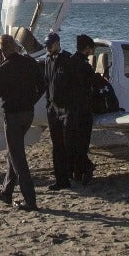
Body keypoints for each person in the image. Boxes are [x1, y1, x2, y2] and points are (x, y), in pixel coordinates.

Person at [0, 33, 45, 211]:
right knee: (13, 152)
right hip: (28, 113)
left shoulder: (3, 68)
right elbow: (42, 86)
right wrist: (31, 101)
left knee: (18, 158)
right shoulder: (30, 63)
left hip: (12, 115)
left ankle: (30, 200)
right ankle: (7, 191)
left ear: (2, 50)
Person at [63, 34, 98, 185]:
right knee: (83, 143)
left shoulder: (68, 62)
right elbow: (92, 86)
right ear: (87, 48)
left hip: (69, 109)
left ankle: (72, 171)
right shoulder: (85, 66)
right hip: (82, 109)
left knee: (71, 143)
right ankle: (83, 170)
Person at [40, 33, 72, 190]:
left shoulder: (67, 59)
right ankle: (60, 179)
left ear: (57, 43)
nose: (47, 48)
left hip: (65, 108)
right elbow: (46, 83)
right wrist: (48, 104)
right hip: (52, 108)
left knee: (67, 144)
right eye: (46, 45)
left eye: (49, 45)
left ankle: (71, 174)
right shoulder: (47, 60)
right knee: (56, 144)